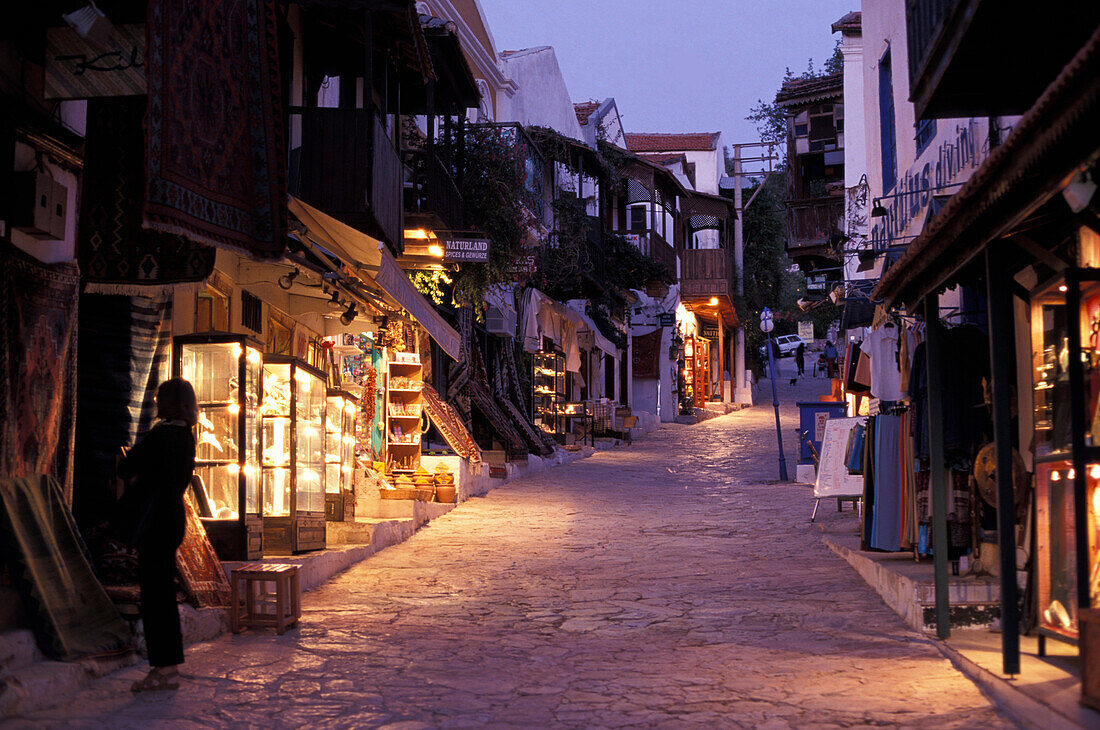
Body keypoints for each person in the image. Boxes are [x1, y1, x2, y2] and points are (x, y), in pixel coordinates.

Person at [117, 378, 197, 692]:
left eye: (158, 397)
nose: (154, 402)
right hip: (172, 519)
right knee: (162, 595)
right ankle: (168, 668)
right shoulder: (186, 436)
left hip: (154, 521)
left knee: (155, 598)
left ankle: (163, 669)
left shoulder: (161, 435)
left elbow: (126, 469)